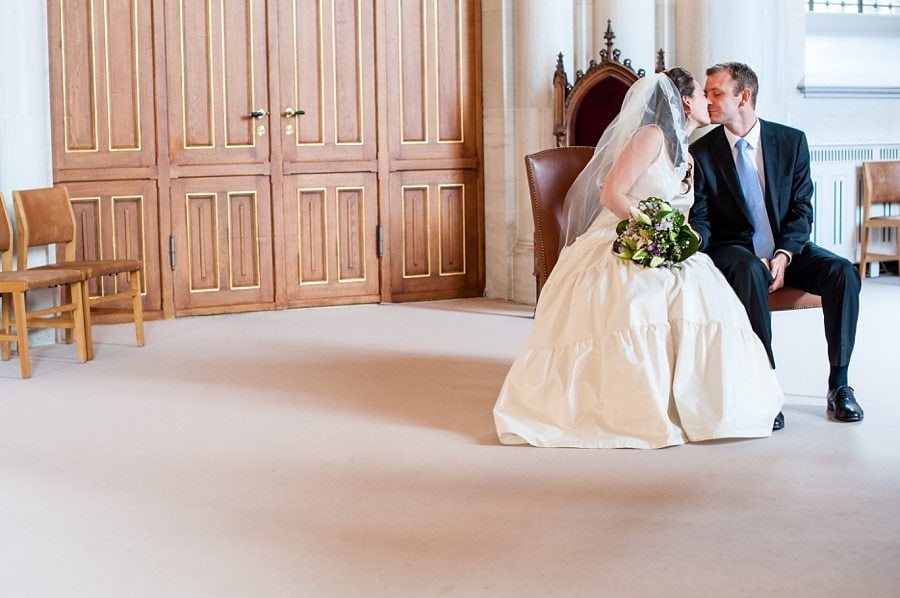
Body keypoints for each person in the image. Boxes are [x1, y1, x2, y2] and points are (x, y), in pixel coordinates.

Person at [493, 68, 784, 449]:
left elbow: (684, 212)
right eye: (701, 94)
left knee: (703, 293)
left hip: (664, 242)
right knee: (639, 298)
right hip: (624, 235)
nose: (708, 102)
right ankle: (640, 405)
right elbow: (612, 195)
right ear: (684, 102)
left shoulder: (688, 152)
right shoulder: (651, 137)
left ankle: (699, 403)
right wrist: (651, 229)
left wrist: (680, 237)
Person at [689, 62, 863, 427]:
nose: (708, 101)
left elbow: (801, 210)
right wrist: (684, 243)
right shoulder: (702, 152)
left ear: (744, 96)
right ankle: (763, 385)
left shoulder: (790, 141)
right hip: (734, 248)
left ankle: (840, 385)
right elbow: (702, 219)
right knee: (751, 269)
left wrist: (784, 255)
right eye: (706, 93)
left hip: (786, 248)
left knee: (842, 271)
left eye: (717, 93)